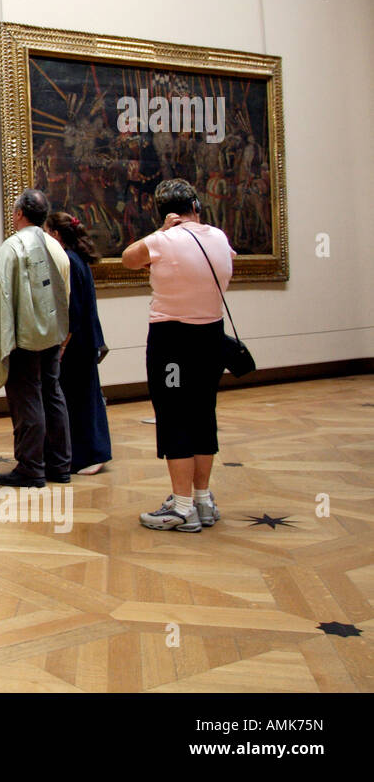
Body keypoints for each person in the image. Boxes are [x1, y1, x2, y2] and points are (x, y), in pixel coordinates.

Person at [122, 179, 234, 532]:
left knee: (173, 415)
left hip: (172, 340)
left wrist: (162, 231)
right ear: (197, 206)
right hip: (211, 337)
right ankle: (201, 499)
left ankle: (182, 507)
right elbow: (229, 260)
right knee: (203, 413)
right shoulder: (218, 237)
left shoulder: (162, 240)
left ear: (166, 213)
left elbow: (128, 259)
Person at [0, 188, 72, 487]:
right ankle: (60, 464)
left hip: (24, 337)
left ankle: (31, 467)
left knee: (27, 397)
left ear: (18, 213)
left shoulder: (12, 247)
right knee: (53, 394)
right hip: (53, 335)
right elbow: (64, 293)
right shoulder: (55, 247)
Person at [45, 212, 112, 475]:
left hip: (77, 342)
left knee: (79, 399)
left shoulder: (69, 262)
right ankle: (90, 453)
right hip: (86, 339)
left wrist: (62, 346)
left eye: (48, 232)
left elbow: (72, 309)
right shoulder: (77, 259)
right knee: (86, 396)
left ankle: (89, 455)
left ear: (57, 235)